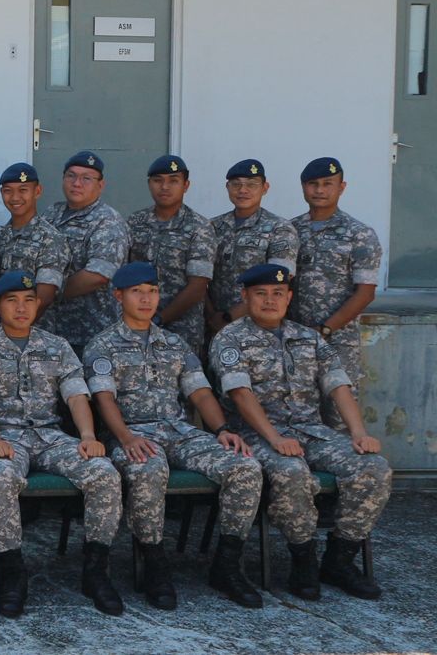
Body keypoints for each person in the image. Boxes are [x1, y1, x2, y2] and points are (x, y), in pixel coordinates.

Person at [83, 262, 263, 610]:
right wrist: (125, 437)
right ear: (118, 296)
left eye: (152, 291)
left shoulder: (174, 343)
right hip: (132, 433)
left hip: (179, 431)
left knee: (244, 466)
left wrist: (222, 430)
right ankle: (154, 563)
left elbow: (200, 393)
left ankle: (227, 565)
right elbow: (104, 399)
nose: (146, 299)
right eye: (137, 292)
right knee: (148, 470)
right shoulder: (102, 345)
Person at [212, 264, 390, 602]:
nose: (270, 300)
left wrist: (358, 433)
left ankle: (339, 559)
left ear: (289, 297)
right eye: (261, 293)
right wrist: (275, 438)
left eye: (278, 293)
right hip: (256, 435)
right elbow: (240, 394)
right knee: (291, 471)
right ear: (245, 297)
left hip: (311, 431)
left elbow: (338, 386)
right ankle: (303, 559)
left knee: (373, 467)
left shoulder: (309, 337)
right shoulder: (230, 339)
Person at [0, 269, 124, 618]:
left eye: (29, 300)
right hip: (3, 435)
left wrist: (88, 436)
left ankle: (96, 571)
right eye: (12, 301)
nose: (22, 308)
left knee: (104, 472)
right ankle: (11, 572)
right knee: (1, 476)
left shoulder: (56, 346)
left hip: (50, 436)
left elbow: (76, 395)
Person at [288, 158, 381, 428]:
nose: (319, 190)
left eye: (328, 184)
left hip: (338, 343)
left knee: (339, 419)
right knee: (295, 414)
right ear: (303, 187)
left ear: (342, 187)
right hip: (293, 340)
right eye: (313, 184)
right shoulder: (289, 231)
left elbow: (365, 293)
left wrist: (325, 329)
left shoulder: (359, 234)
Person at [125, 156, 215, 358]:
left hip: (182, 329)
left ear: (186, 185)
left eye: (173, 181)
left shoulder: (199, 227)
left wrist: (158, 319)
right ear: (149, 183)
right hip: (136, 325)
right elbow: (124, 272)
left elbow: (198, 286)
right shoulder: (134, 222)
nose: (164, 187)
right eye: (158, 180)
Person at [41, 150, 129, 354]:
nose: (77, 183)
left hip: (90, 333)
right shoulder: (52, 213)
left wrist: (48, 292)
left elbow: (98, 275)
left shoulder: (108, 221)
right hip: (51, 330)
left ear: (101, 185)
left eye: (86, 178)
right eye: (71, 176)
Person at [208, 159, 299, 337]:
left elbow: (278, 281)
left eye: (251, 184)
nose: (243, 190)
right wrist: (212, 317)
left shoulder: (280, 229)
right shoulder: (212, 227)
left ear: (265, 188)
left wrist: (229, 317)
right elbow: (200, 280)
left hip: (260, 326)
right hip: (213, 326)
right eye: (236, 184)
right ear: (227, 187)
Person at [0, 162, 67, 320]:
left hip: (34, 330)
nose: (15, 197)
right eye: (8, 191)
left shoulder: (50, 239)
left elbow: (45, 297)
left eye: (23, 190)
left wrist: (14, 329)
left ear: (37, 191)